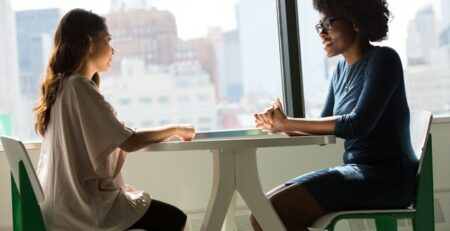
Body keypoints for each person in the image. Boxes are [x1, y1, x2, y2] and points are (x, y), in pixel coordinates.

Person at [252, 0, 418, 230]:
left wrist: (287, 123)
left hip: (387, 177)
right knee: (262, 213)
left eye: (328, 23)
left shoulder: (384, 60)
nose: (321, 33)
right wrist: (279, 125)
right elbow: (324, 132)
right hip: (356, 171)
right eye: (318, 26)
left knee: (275, 211)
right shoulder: (340, 71)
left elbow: (357, 125)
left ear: (356, 21)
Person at [34, 9, 195, 231]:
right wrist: (175, 129)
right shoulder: (78, 87)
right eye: (108, 40)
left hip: (61, 206)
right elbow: (128, 141)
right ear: (90, 42)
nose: (113, 49)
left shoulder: (62, 87)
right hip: (82, 210)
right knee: (175, 219)